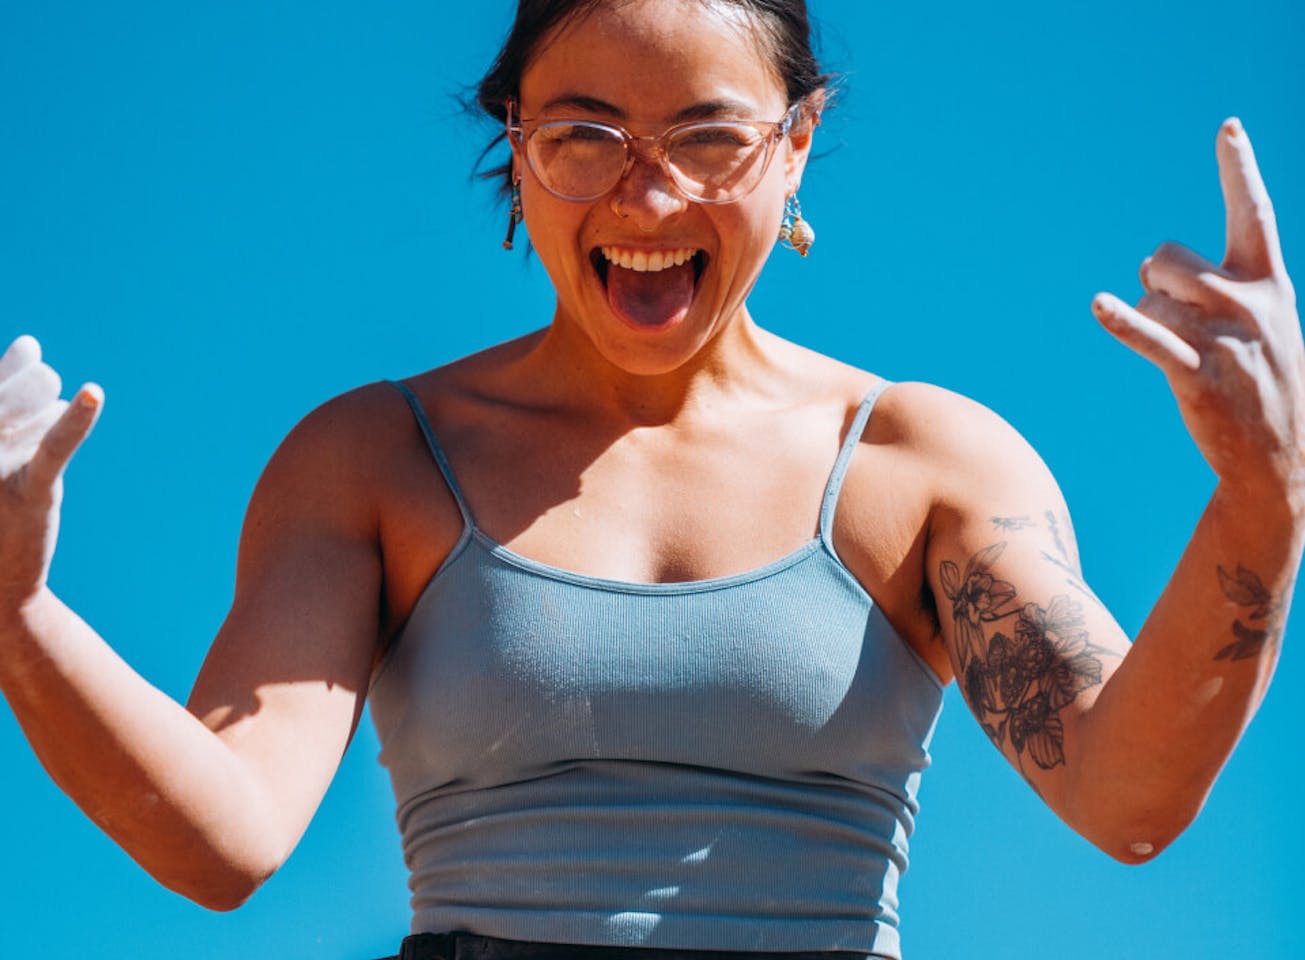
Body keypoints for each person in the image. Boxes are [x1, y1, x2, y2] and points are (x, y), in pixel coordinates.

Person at [0, 1, 1300, 958]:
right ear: (513, 143)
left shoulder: (920, 464)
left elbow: (1125, 795)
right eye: (585, 133)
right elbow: (222, 839)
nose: (650, 189)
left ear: (795, 146)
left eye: (707, 135)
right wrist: (18, 614)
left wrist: (1262, 498)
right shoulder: (375, 458)